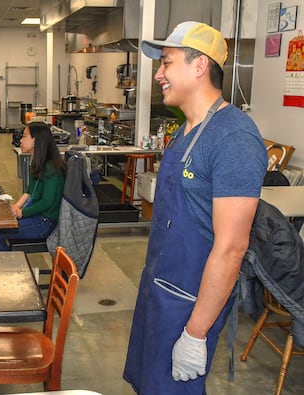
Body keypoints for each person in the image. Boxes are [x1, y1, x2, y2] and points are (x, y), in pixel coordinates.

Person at [123, 21, 267, 394]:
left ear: (199, 65)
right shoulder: (183, 129)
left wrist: (195, 332)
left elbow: (232, 247)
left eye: (166, 62)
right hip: (158, 290)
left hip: (188, 304)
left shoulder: (233, 137)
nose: (159, 74)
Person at [0, 122, 65, 251]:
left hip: (45, 222)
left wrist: (22, 213)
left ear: (35, 140)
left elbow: (47, 202)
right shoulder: (37, 161)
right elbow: (29, 192)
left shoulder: (51, 166)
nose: (21, 140)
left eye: (25, 136)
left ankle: (1, 268)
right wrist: (15, 207)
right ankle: (3, 265)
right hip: (37, 216)